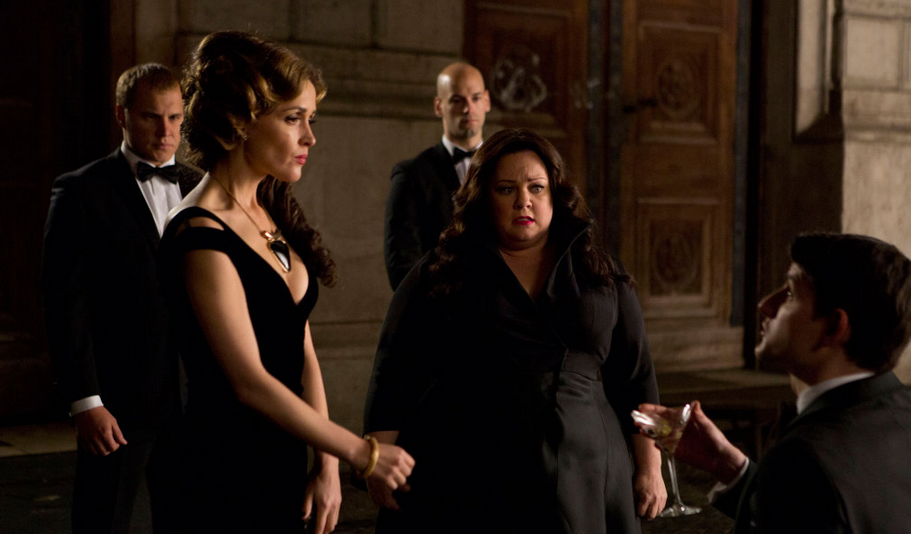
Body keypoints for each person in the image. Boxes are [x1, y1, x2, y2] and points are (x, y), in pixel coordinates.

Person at [158, 31, 414, 534]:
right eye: (294, 118)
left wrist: (327, 466)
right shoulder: (197, 231)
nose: (309, 138)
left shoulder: (267, 210)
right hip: (220, 474)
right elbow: (250, 382)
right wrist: (362, 453)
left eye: (311, 119)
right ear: (242, 121)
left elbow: (303, 350)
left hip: (281, 463)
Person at [364, 128, 666, 533]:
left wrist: (651, 466)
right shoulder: (442, 271)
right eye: (506, 189)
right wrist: (378, 458)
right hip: (468, 464)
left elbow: (637, 377)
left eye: (536, 188)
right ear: (483, 197)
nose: (524, 201)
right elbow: (395, 368)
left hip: (588, 468)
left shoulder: (600, 271)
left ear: (555, 195)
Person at [639, 233, 911, 533]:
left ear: (834, 326)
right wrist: (730, 467)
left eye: (791, 293)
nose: (766, 305)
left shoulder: (802, 460)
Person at [41, 63, 198, 534]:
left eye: (175, 117)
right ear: (121, 115)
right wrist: (85, 401)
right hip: (118, 398)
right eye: (151, 117)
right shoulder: (80, 191)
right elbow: (64, 302)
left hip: (194, 398)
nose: (166, 131)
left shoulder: (202, 185)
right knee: (101, 521)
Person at [383, 61, 490, 290]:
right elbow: (402, 266)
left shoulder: (505, 167)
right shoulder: (411, 175)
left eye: (475, 98)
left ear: (487, 101)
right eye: (457, 100)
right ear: (438, 106)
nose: (468, 108)